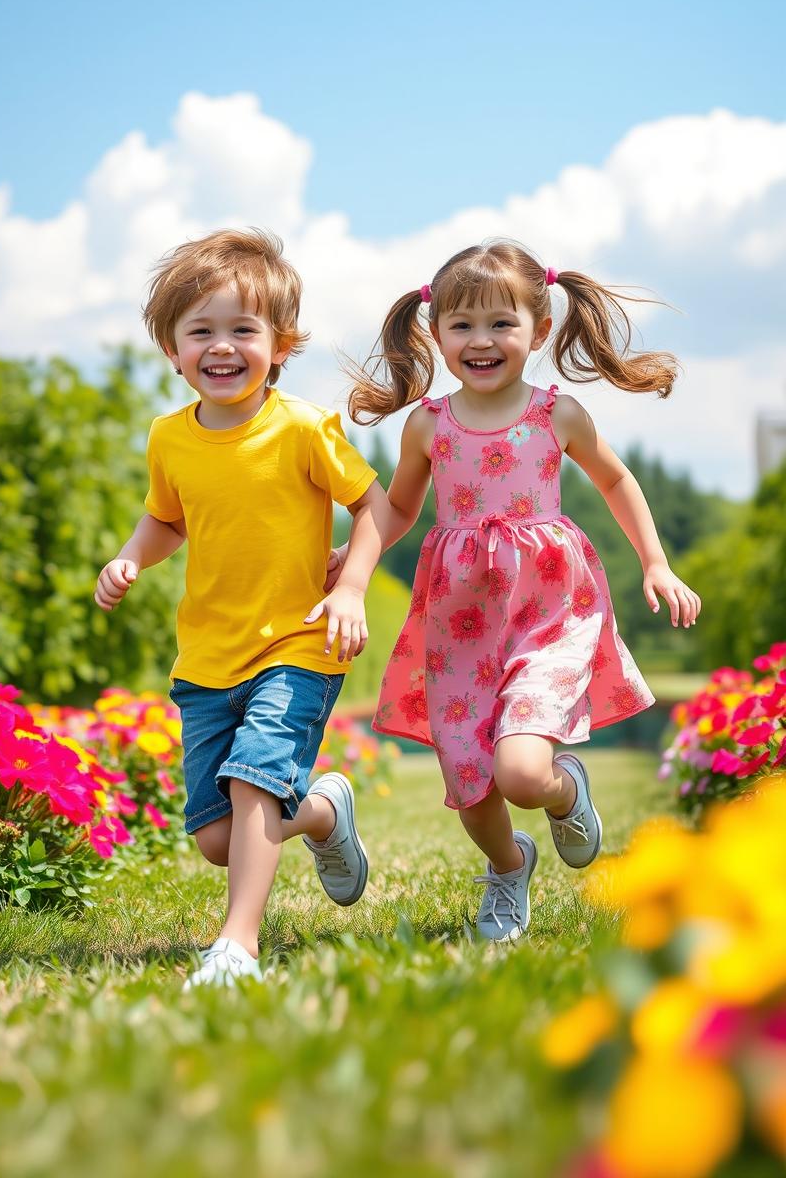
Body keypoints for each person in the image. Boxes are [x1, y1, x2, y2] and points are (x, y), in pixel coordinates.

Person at [339, 239, 700, 944]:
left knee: (522, 772)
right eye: (462, 325)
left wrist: (655, 563)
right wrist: (352, 566)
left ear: (538, 330)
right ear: (435, 333)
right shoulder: (427, 426)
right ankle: (509, 865)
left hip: (547, 610)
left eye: (501, 323)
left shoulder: (555, 415)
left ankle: (563, 793)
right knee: (472, 784)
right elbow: (399, 510)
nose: (481, 340)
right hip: (459, 621)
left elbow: (617, 481)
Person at [95, 228, 387, 988]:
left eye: (242, 330)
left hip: (297, 641)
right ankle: (323, 813)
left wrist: (349, 586)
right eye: (201, 331)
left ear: (280, 343)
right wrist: (132, 555)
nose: (221, 347)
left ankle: (236, 946)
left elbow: (377, 506)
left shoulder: (302, 427)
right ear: (173, 349)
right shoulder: (169, 438)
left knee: (256, 778)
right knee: (221, 837)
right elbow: (166, 520)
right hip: (207, 656)